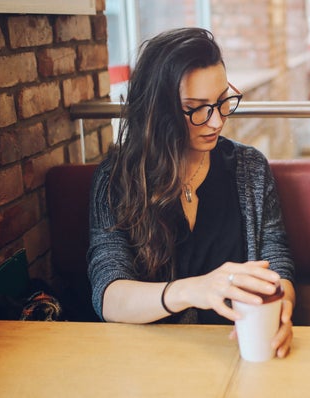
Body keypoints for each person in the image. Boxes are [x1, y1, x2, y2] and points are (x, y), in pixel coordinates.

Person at [87, 27, 296, 358]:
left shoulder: (250, 169)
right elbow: (109, 295)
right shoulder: (118, 178)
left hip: (238, 356)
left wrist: (282, 304)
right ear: (158, 110)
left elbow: (277, 262)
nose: (216, 122)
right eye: (197, 108)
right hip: (150, 362)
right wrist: (193, 290)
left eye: (222, 101)